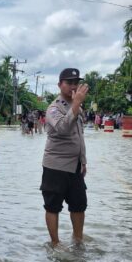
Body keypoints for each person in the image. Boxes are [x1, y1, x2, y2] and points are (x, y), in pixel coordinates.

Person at [41, 68, 88, 247]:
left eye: (76, 83)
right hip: (55, 166)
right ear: (60, 84)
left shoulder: (78, 107)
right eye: (69, 83)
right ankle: (55, 244)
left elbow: (79, 136)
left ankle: (78, 241)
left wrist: (83, 161)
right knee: (53, 206)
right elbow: (63, 128)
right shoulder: (53, 108)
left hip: (75, 166)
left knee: (79, 204)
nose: (73, 86)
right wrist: (76, 104)